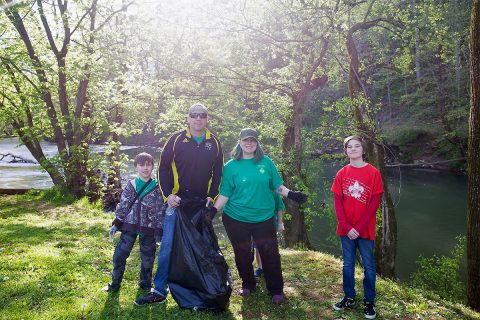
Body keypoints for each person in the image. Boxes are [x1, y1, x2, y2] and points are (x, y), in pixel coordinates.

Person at [135, 103, 223, 305]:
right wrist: (168, 196)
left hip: (201, 204)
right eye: (194, 115)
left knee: (203, 247)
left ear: (207, 119)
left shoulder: (214, 142)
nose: (198, 119)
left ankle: (204, 287)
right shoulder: (175, 140)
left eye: (202, 116)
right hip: (177, 203)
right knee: (167, 246)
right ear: (188, 118)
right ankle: (159, 290)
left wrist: (212, 196)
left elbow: (218, 173)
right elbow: (162, 170)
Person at [210, 128, 307, 305]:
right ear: (239, 142)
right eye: (245, 140)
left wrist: (291, 194)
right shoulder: (230, 166)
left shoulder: (266, 162)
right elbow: (225, 193)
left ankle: (276, 289)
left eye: (252, 141)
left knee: (270, 254)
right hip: (236, 218)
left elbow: (277, 186)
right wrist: (213, 210)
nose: (249, 143)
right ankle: (248, 284)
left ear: (257, 143)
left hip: (263, 218)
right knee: (242, 254)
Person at [331, 135, 384, 319]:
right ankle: (349, 297)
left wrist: (359, 227)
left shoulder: (373, 173)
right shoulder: (341, 173)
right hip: (346, 230)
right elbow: (337, 202)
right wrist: (346, 226)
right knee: (347, 265)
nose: (353, 149)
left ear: (363, 149)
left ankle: (369, 301)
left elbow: (375, 202)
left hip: (365, 230)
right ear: (346, 152)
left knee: (369, 266)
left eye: (356, 146)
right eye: (349, 147)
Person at [103, 152, 163, 292]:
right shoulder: (131, 185)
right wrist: (117, 223)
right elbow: (123, 205)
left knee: (148, 260)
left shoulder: (158, 187)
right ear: (136, 166)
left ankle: (145, 285)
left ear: (152, 167)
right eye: (141, 165)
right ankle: (114, 285)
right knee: (119, 256)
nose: (145, 168)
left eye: (148, 165)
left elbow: (161, 209)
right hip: (129, 227)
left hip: (149, 229)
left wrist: (159, 230)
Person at [254, 192, 284, 278]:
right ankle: (261, 268)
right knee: (258, 248)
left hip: (271, 224)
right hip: (255, 224)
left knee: (270, 248)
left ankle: (272, 269)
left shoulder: (274, 192)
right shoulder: (254, 191)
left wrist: (280, 223)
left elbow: (279, 208)